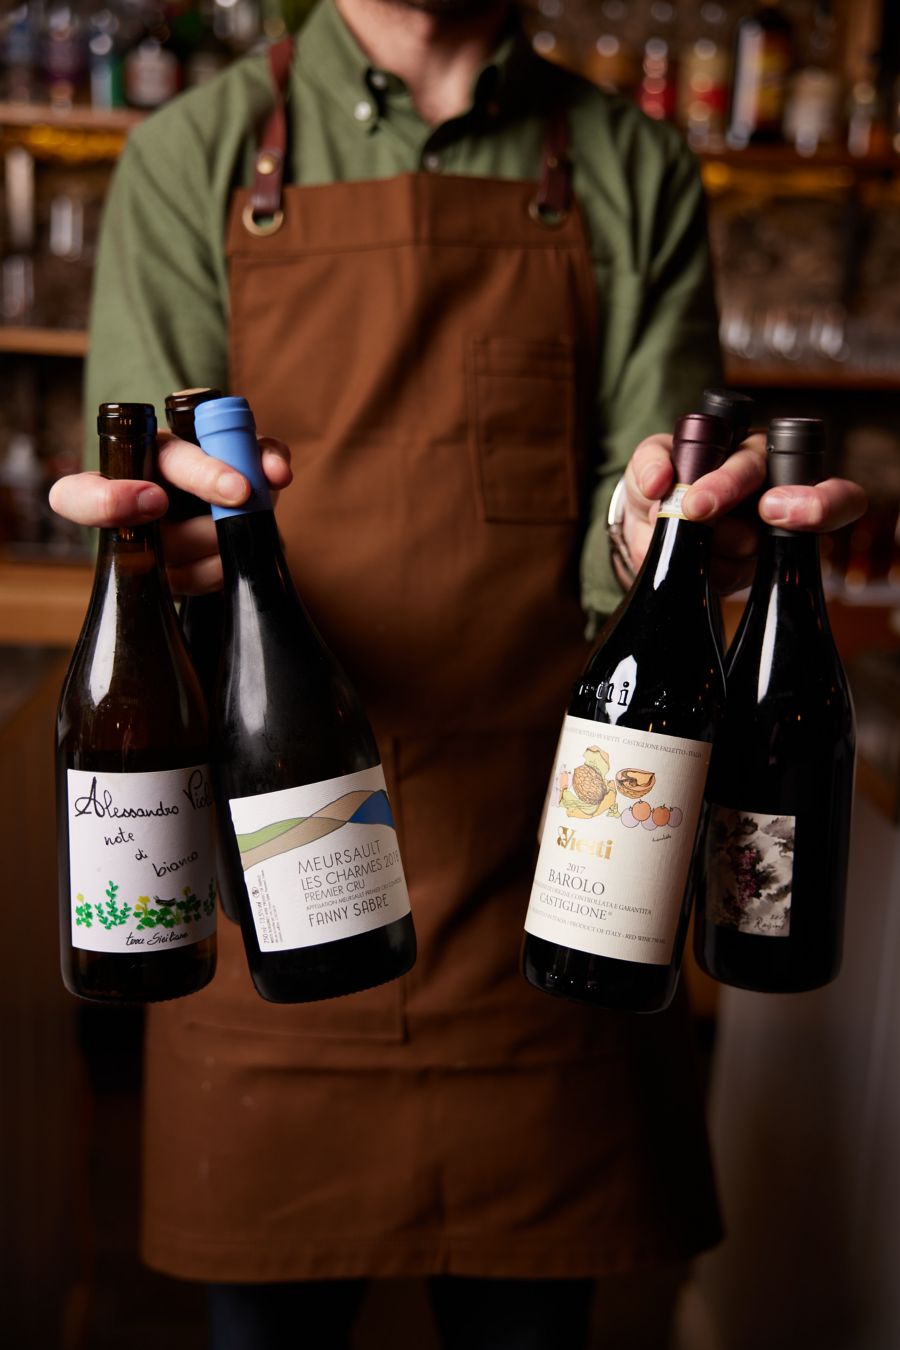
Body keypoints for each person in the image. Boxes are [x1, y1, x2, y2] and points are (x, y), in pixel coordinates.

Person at [49, 2, 867, 1347]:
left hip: (556, 906)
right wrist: (164, 526)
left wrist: (658, 520)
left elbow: (640, 503)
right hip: (278, 901)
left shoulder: (630, 162)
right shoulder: (188, 156)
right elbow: (152, 493)